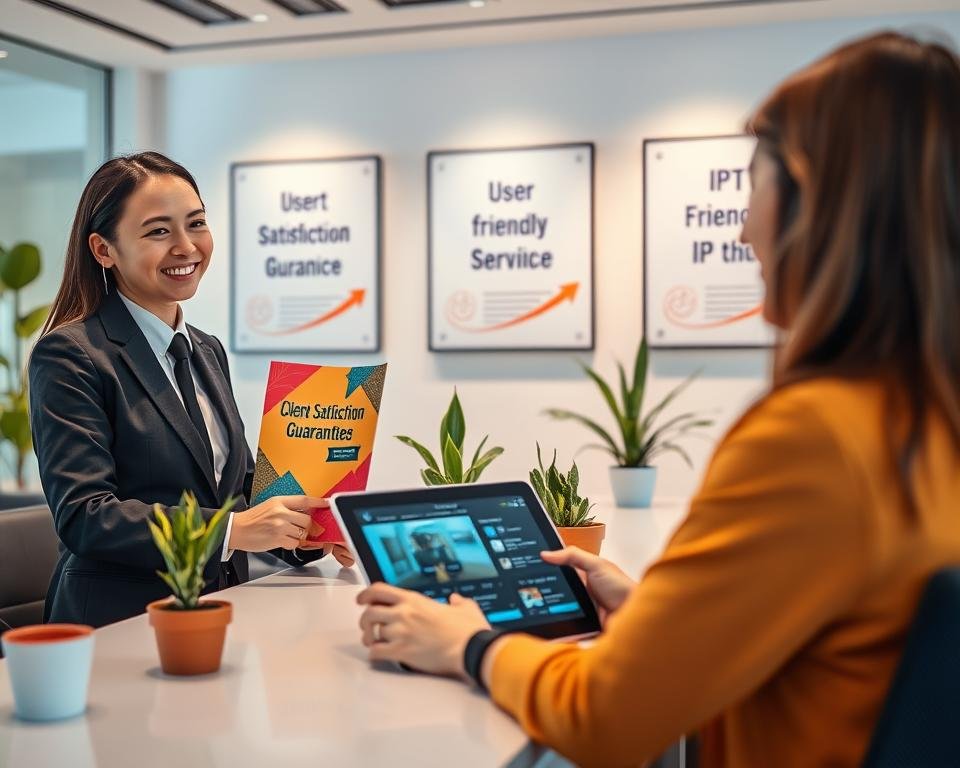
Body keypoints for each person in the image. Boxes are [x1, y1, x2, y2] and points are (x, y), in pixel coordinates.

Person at [355, 31, 960, 766]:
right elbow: (837, 646)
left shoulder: (817, 435)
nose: (742, 230)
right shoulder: (924, 422)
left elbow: (607, 718)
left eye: (754, 188)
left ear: (815, 204)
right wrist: (658, 620)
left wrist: (471, 645)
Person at [29, 152, 354, 628]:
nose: (186, 246)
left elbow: (238, 486)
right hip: (120, 624)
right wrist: (232, 531)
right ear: (104, 250)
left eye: (196, 223)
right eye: (158, 231)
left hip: (222, 611)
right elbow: (86, 516)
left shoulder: (206, 349)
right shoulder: (71, 355)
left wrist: (304, 531)